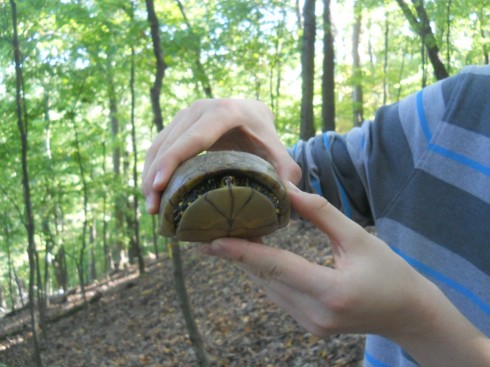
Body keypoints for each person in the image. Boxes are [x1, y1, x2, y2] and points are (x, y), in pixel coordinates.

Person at [142, 65, 490, 366]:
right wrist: (256, 142)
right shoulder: (463, 104)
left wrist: (417, 322)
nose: (229, 183)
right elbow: (314, 175)